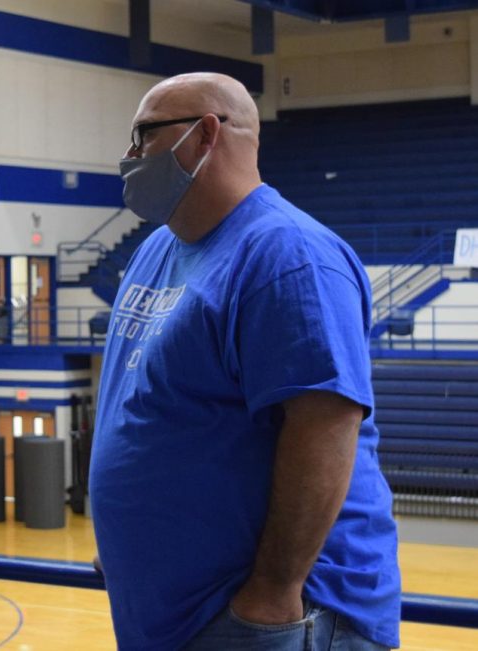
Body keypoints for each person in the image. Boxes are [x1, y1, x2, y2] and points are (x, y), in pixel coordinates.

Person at [88, 73, 401, 650]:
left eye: (144, 135)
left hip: (268, 620)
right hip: (173, 611)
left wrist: (273, 591)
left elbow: (325, 430)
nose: (129, 156)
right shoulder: (158, 247)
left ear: (206, 134)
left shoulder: (289, 256)